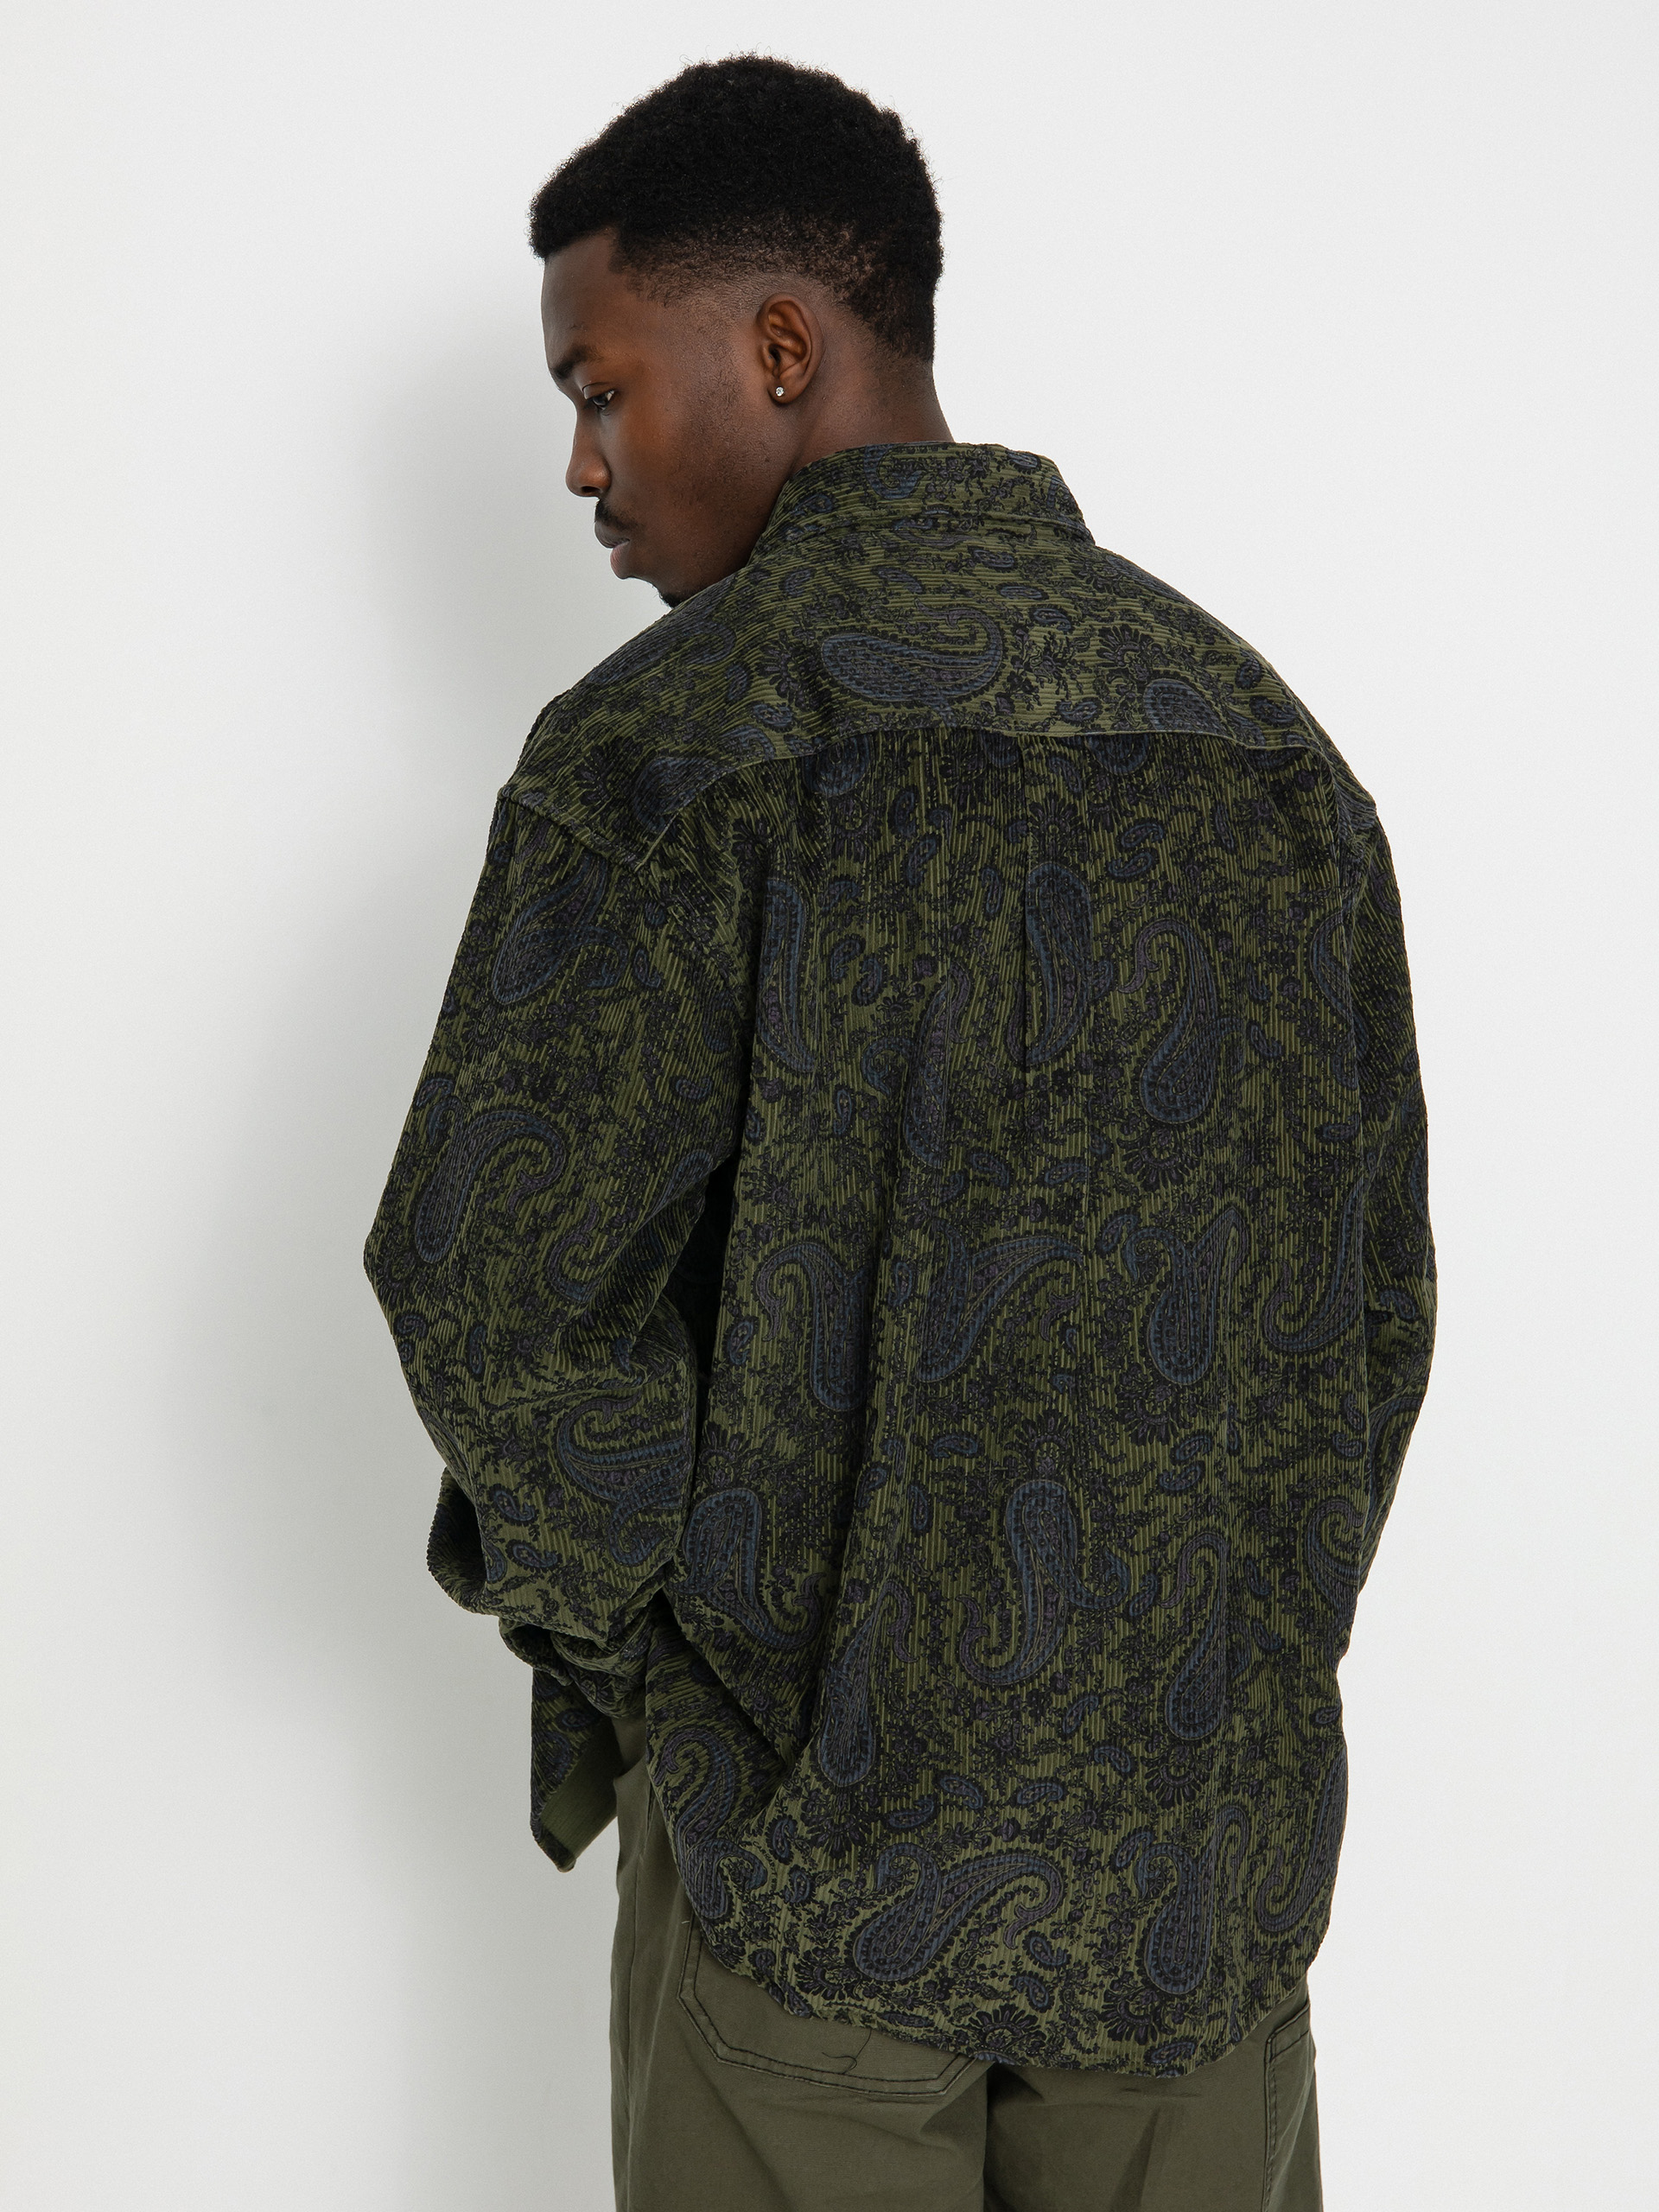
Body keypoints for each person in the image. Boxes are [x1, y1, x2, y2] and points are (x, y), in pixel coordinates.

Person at [365, 54, 1435, 2212]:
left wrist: (682, 1679)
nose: (581, 464)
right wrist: (1223, 1685)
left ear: (782, 347)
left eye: (599, 384)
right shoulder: (1260, 746)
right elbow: (1366, 1316)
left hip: (807, 1903)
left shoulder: (668, 752)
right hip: (1192, 1906)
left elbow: (490, 1296)